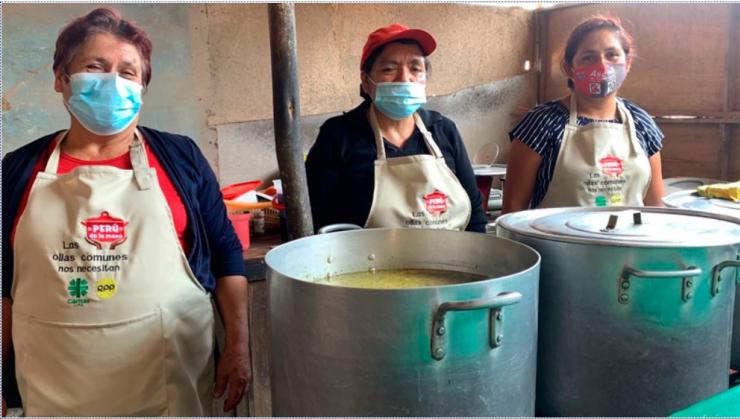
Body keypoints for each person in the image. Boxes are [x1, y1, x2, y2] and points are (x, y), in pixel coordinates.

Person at [1, 8, 250, 416]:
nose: (112, 82)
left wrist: (238, 346)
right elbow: (3, 286)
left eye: (127, 72)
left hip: (168, 383)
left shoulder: (180, 158)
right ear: (61, 79)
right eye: (95, 67)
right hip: (53, 388)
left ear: (142, 87)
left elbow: (226, 255)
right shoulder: (18, 169)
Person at [305, 23, 487, 233]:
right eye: (389, 69)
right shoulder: (339, 136)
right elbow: (312, 218)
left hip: (449, 262)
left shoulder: (443, 130)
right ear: (366, 81)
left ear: (425, 78)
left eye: (415, 68)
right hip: (367, 263)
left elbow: (475, 214)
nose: (404, 78)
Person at [502, 16, 665, 213]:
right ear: (569, 68)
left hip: (629, 242)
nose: (602, 66)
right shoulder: (541, 123)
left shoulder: (642, 122)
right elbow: (513, 209)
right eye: (588, 57)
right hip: (557, 243)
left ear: (627, 63)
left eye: (612, 55)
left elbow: (656, 207)